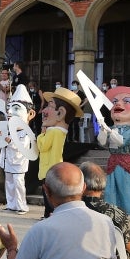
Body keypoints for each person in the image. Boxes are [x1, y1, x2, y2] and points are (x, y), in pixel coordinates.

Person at [96, 85, 130, 215]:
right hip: (112, 161)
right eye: (114, 102)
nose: (118, 104)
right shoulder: (112, 128)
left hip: (125, 163)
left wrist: (109, 131)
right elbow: (103, 143)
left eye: (126, 101)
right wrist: (102, 130)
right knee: (111, 188)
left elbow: (121, 142)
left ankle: (126, 212)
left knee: (126, 187)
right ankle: (112, 211)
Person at [37, 87, 83, 218]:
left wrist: (41, 135)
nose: (45, 110)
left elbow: (43, 146)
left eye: (50, 105)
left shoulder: (53, 131)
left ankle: (49, 214)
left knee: (48, 195)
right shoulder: (61, 132)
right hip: (55, 166)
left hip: (48, 168)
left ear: (60, 113)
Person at [0, 85, 37, 215]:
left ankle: (21, 205)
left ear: (30, 114)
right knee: (9, 183)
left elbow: (22, 145)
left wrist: (9, 141)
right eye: (9, 108)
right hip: (8, 160)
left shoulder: (26, 133)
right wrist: (0, 137)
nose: (10, 112)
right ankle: (11, 204)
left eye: (16, 108)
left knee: (18, 183)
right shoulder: (8, 130)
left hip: (19, 162)